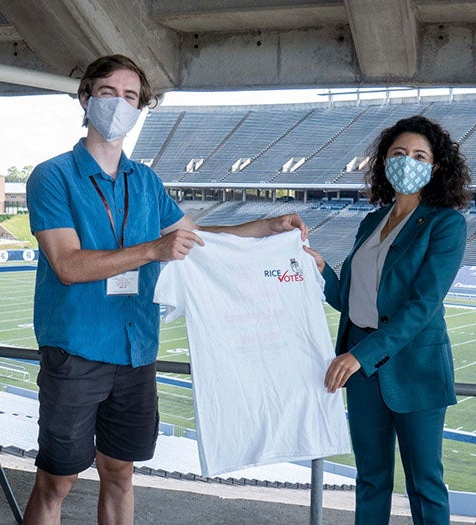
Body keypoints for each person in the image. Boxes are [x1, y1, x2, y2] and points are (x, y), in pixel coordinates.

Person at [23, 54, 306, 524]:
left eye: (130, 97)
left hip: (136, 352)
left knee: (121, 473)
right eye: (108, 92)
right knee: (57, 480)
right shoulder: (52, 176)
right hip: (77, 352)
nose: (118, 104)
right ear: (85, 97)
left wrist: (266, 227)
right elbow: (68, 265)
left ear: (140, 109)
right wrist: (153, 250)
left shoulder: (146, 181)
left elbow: (193, 239)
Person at [305, 115, 472, 524]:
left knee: (425, 483)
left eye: (419, 155)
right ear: (383, 161)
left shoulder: (446, 224)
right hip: (362, 369)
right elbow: (350, 297)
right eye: (399, 153)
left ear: (434, 167)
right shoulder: (371, 221)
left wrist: (361, 355)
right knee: (371, 479)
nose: (407, 161)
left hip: (414, 369)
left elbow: (422, 305)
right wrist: (321, 268)